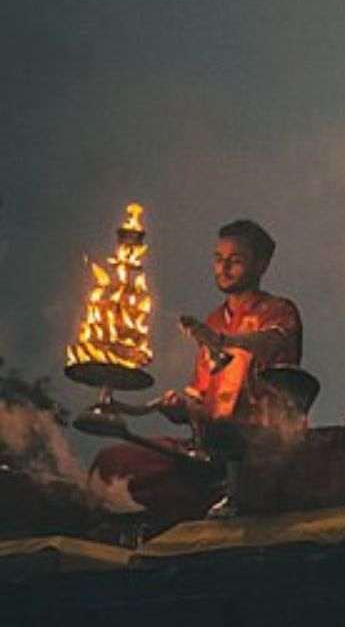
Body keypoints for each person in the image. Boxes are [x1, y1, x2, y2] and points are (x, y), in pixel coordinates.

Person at [89, 219, 303, 527]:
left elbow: (271, 342)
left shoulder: (278, 311)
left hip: (256, 450)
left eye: (235, 261)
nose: (224, 268)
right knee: (112, 463)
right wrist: (180, 404)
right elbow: (200, 395)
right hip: (206, 451)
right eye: (218, 259)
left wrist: (222, 342)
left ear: (262, 265)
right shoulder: (214, 320)